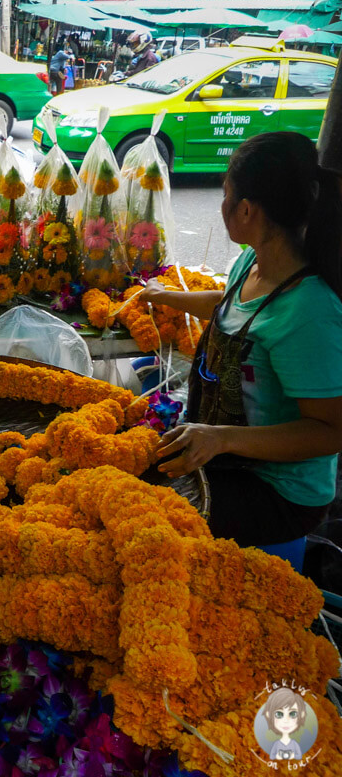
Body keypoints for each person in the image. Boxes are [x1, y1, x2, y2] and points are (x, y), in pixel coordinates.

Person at [137, 132, 342, 547]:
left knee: (144, 517)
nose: (222, 202)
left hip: (277, 492)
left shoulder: (308, 312)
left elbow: (331, 431)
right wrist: (165, 296)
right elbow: (229, 305)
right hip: (227, 457)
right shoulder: (253, 261)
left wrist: (221, 438)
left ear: (246, 209)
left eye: (226, 193)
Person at [262, 688, 307, 761]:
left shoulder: (294, 744)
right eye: (279, 714)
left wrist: (292, 755)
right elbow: (272, 756)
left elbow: (299, 756)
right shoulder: (275, 743)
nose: (286, 720)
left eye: (293, 714)